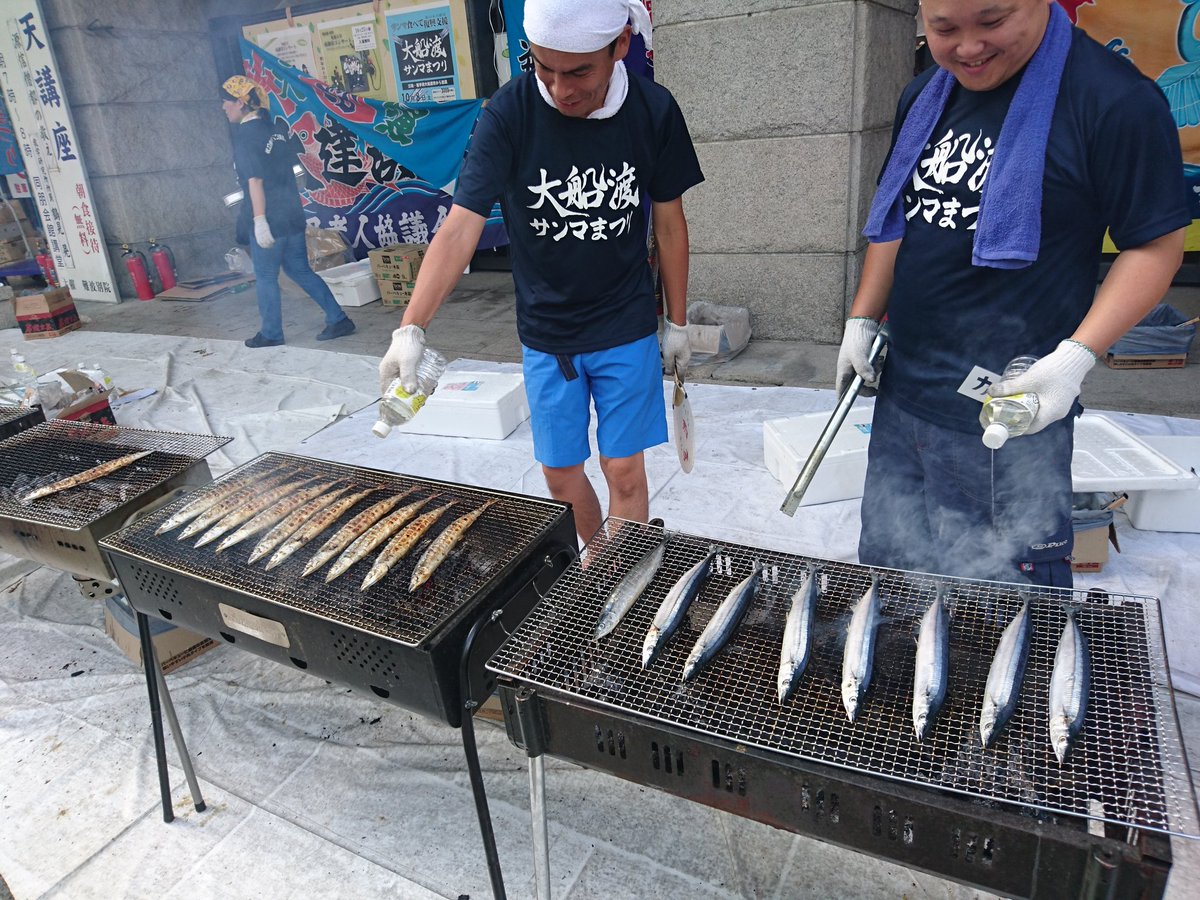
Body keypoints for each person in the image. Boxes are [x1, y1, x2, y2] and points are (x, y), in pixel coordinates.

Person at [836, 0, 1188, 588]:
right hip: (903, 396)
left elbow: (1154, 246)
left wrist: (1076, 358)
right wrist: (863, 317)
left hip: (1011, 411)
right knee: (893, 579)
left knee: (1005, 607)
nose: (967, 48)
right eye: (945, 28)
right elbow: (900, 215)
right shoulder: (927, 93)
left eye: (992, 22)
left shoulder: (1112, 98)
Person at [378, 0, 703, 546]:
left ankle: (620, 585)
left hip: (625, 322)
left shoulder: (653, 109)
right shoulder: (509, 113)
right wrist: (411, 328)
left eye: (579, 71)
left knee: (623, 469)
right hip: (548, 332)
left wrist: (676, 323)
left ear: (620, 46)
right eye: (543, 67)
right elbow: (460, 228)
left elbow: (669, 225)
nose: (560, 88)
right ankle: (600, 569)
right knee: (559, 475)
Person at [220, 76, 356, 348]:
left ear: (240, 102)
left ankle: (271, 333)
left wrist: (259, 221)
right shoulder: (275, 130)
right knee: (299, 270)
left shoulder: (246, 137)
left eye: (225, 102)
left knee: (267, 276)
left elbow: (255, 181)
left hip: (270, 219)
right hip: (292, 215)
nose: (223, 108)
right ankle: (338, 318)